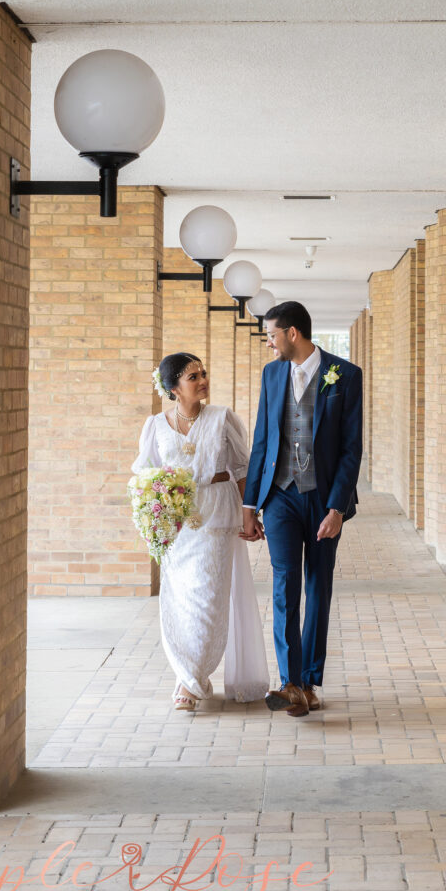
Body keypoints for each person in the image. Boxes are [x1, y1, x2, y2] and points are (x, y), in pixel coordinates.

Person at [241, 302, 362, 717]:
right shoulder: (272, 374)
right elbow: (262, 439)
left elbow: (351, 450)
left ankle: (309, 681)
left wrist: (338, 509)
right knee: (284, 585)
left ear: (292, 333)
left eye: (272, 333)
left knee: (317, 586)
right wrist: (250, 504)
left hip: (324, 499)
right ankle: (290, 682)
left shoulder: (345, 375)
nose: (269, 341)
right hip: (280, 497)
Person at [132, 352, 269, 711]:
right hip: (177, 524)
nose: (203, 380)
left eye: (203, 373)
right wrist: (153, 515)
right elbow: (145, 474)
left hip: (217, 518)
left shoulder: (222, 418)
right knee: (180, 600)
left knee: (207, 600)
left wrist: (249, 514)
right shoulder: (155, 426)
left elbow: (242, 469)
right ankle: (188, 675)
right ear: (173, 388)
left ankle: (190, 681)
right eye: (193, 377)